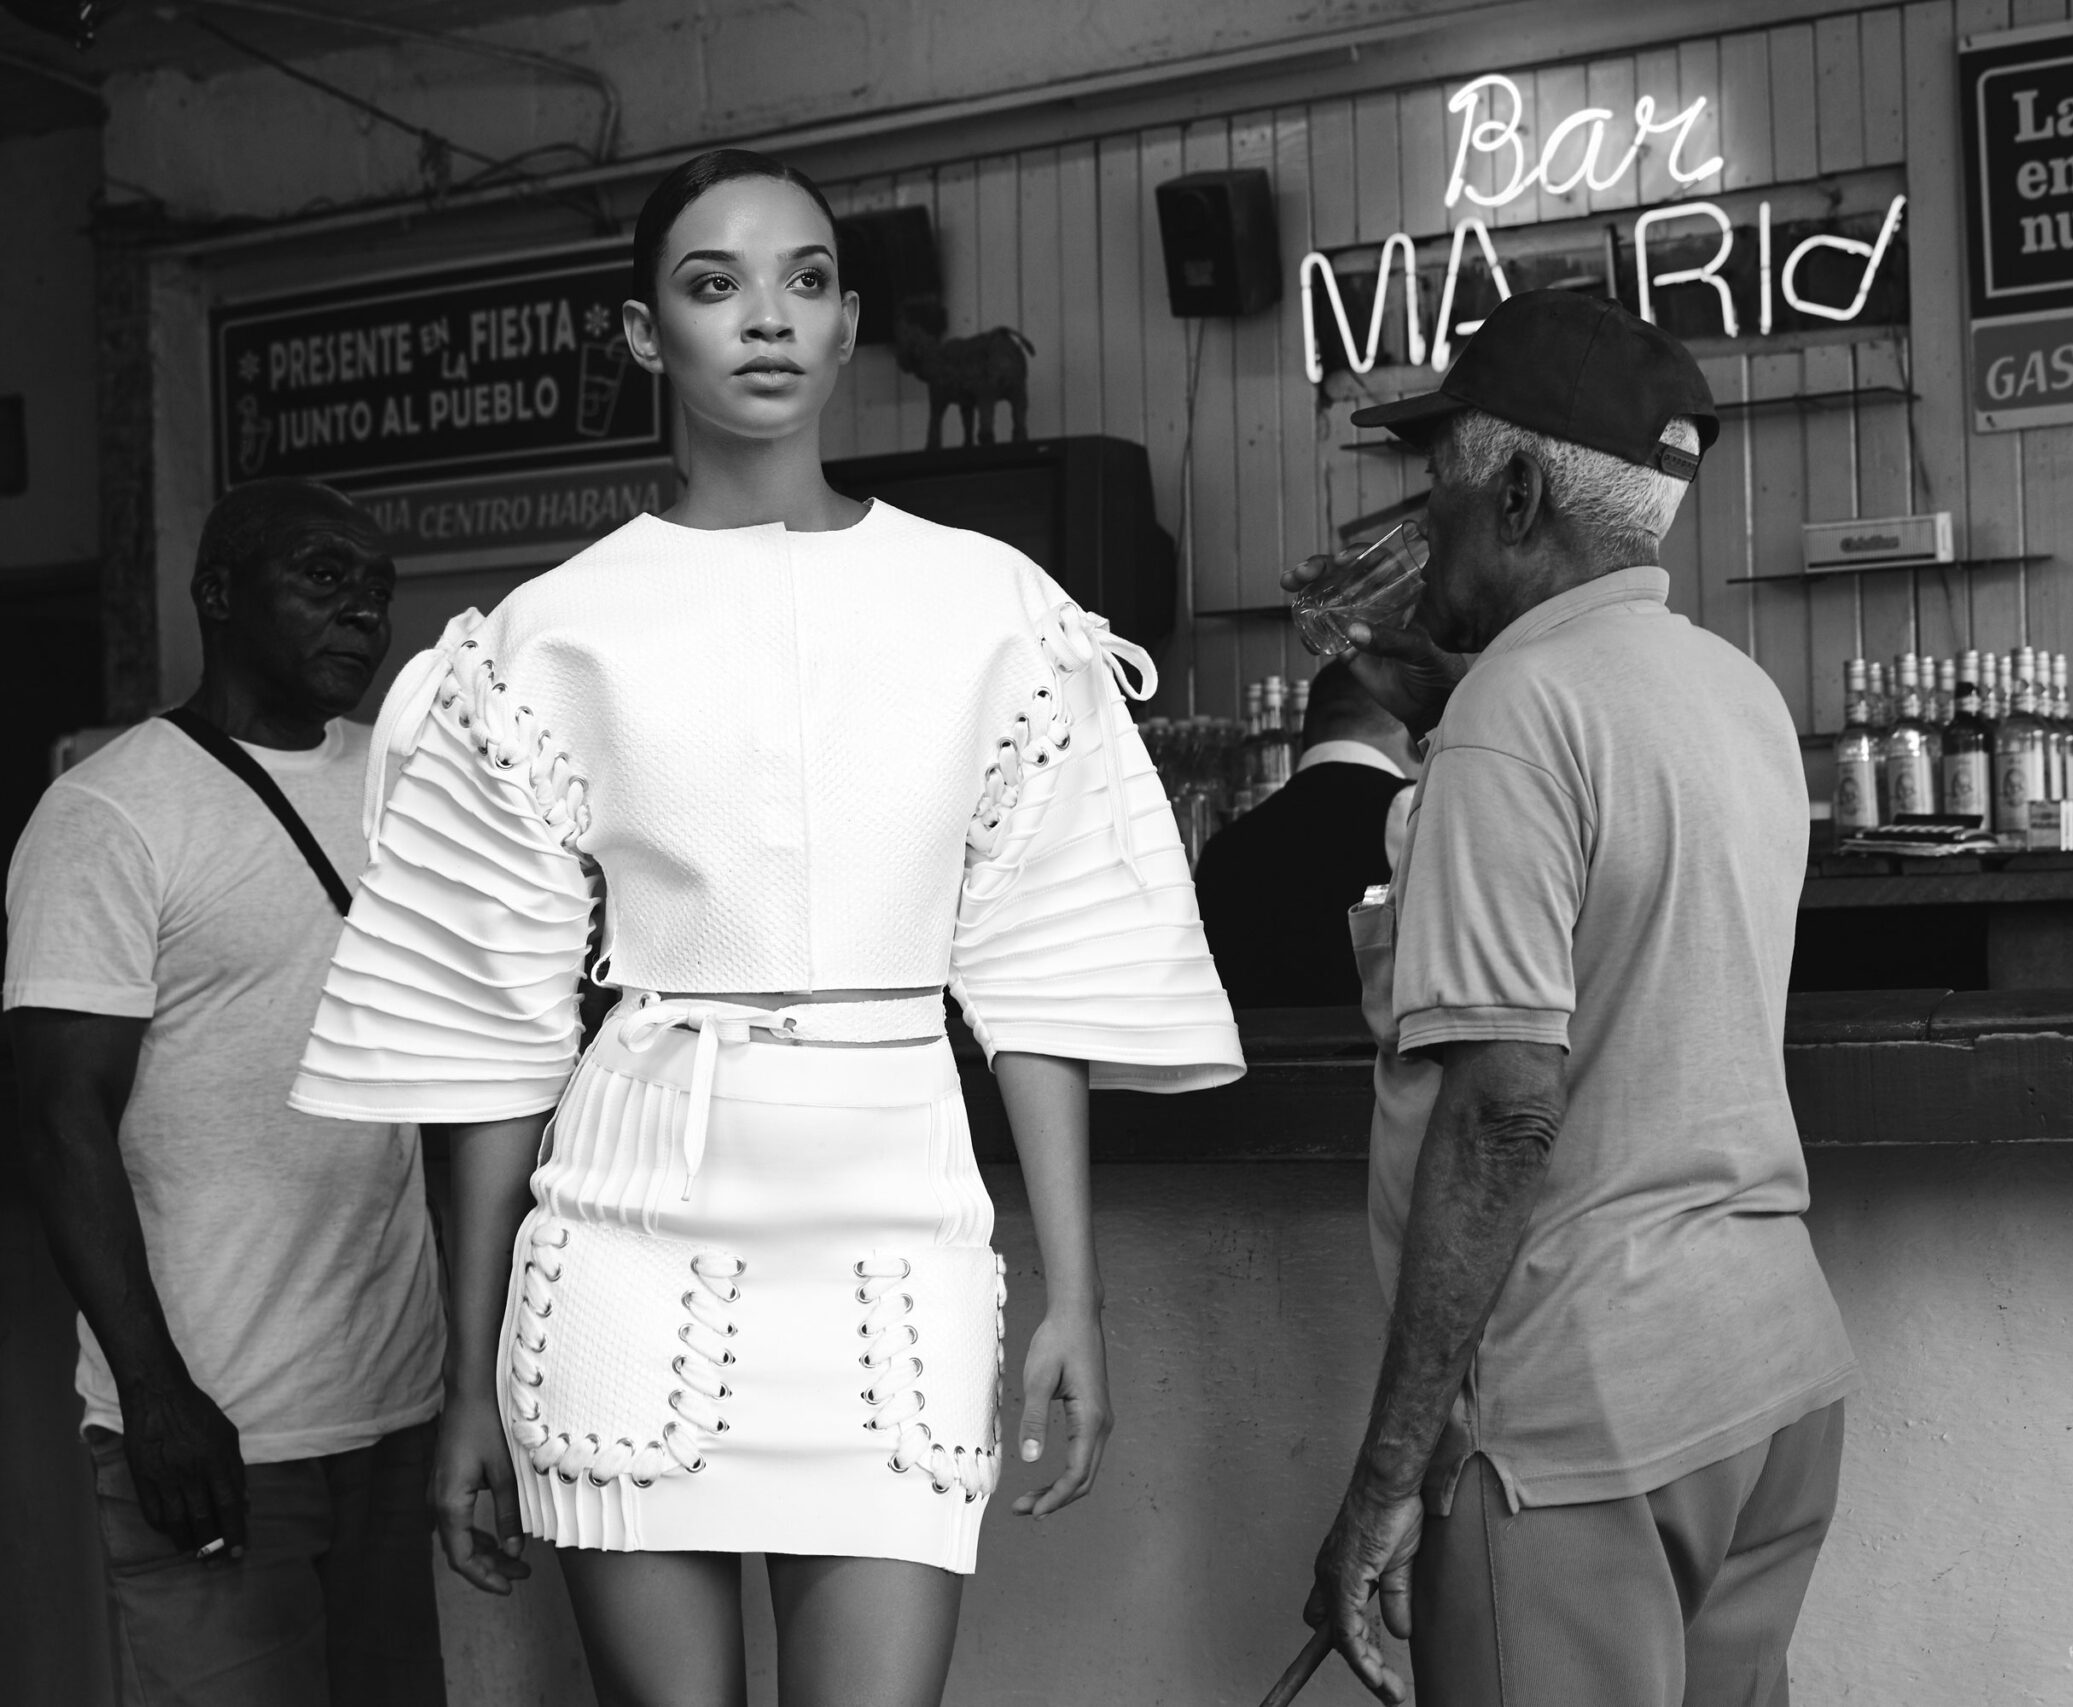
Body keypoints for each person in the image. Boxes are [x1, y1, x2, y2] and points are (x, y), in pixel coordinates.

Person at [284, 148, 1241, 1707]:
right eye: (713, 284)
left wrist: (1075, 1291)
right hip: (624, 1228)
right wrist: (466, 1378)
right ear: (644, 332)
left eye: (804, 280)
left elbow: (1040, 970)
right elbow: (484, 1040)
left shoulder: (990, 604)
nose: (767, 318)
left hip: (898, 1236)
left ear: (853, 321)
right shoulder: (548, 630)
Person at [1296, 290, 1858, 1707]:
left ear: (1523, 488)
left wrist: (1384, 1475)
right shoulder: (1736, 692)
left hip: (1579, 1418)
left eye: (1440, 486)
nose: (1425, 521)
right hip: (1767, 1382)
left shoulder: (1516, 711)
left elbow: (1504, 1111)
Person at [6, 481, 446, 1706]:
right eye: (322, 579)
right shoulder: (110, 814)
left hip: (392, 1407)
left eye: (376, 593)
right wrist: (154, 1396)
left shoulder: (411, 783)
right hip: (213, 1422)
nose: (360, 613)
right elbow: (58, 1119)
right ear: (216, 594)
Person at [1192, 660, 1419, 1007]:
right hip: (1374, 1057)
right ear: (1412, 736)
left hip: (1249, 1059)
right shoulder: (1409, 810)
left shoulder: (1221, 850)